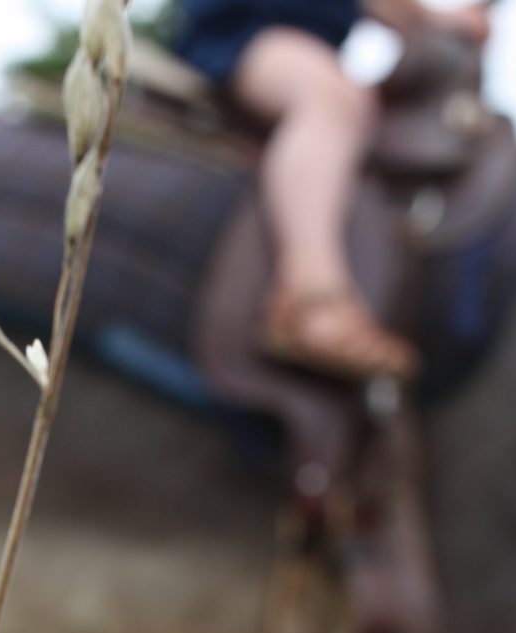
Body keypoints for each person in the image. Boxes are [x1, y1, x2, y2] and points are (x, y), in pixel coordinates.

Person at [174, 0, 490, 380]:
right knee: (334, 99)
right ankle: (309, 300)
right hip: (244, 37)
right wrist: (440, 19)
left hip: (309, 49)